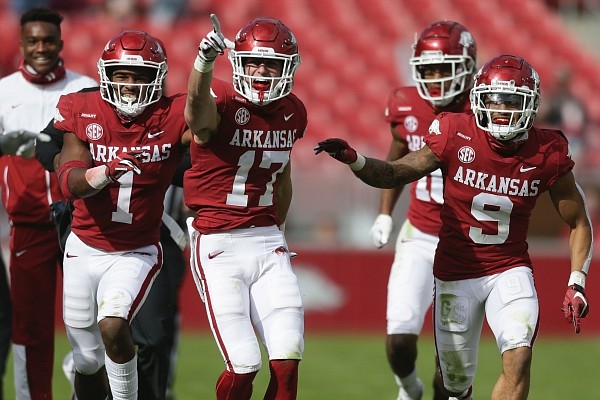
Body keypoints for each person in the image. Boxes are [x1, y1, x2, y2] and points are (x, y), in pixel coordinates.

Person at [315, 54, 592, 400]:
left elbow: (578, 219)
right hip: (455, 272)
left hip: (509, 268)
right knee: (455, 387)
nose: (503, 110)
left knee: (519, 355)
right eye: (495, 100)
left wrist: (577, 281)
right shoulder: (455, 131)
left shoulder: (548, 150)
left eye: (513, 101)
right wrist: (355, 160)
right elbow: (397, 172)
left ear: (532, 106)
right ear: (479, 100)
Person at [36, 35, 189, 400]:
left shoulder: (173, 115)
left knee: (113, 324)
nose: (130, 84)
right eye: (122, 74)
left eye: (140, 75)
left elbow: (211, 133)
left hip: (136, 248)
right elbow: (71, 180)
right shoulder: (84, 108)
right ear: (106, 76)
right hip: (84, 245)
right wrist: (105, 172)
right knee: (86, 360)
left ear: (158, 77)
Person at [184, 14, 306, 400]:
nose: (260, 71)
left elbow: (282, 175)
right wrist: (203, 64)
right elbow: (196, 119)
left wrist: (278, 232)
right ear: (237, 62)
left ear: (287, 68)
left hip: (268, 240)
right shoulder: (220, 97)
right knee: (243, 367)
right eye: (252, 61)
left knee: (287, 363)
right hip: (218, 242)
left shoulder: (294, 111)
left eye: (270, 63)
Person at [368, 21, 476, 400]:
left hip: (467, 245)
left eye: (444, 69)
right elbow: (396, 158)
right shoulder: (404, 103)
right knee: (399, 340)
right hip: (419, 233)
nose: (435, 79)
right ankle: (408, 388)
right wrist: (385, 213)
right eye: (428, 69)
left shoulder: (483, 109)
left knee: (449, 368)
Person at [0, 7, 96, 399]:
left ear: (61, 42)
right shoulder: (3, 91)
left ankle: (85, 387)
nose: (41, 48)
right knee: (30, 330)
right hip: (28, 226)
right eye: (33, 41)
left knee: (89, 325)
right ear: (21, 44)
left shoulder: (86, 87)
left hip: (83, 224)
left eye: (48, 41)